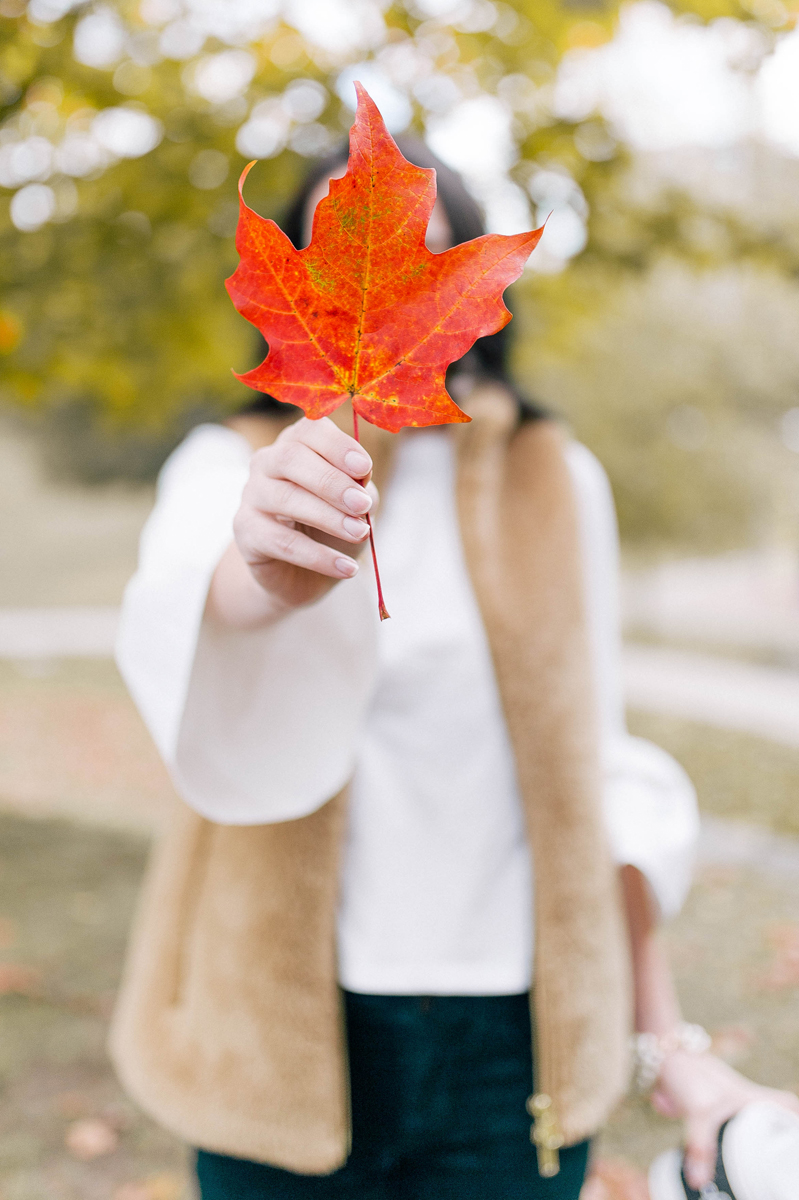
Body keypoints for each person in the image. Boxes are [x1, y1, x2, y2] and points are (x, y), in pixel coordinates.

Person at [111, 140, 798, 1200]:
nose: (382, 295)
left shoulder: (555, 478)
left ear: (473, 293)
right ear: (291, 287)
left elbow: (593, 767)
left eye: (425, 262)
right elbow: (191, 606)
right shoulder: (233, 464)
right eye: (342, 268)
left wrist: (669, 1041)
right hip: (286, 1030)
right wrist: (266, 564)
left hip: (509, 1039)